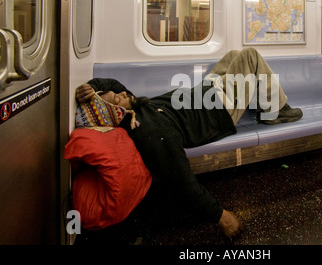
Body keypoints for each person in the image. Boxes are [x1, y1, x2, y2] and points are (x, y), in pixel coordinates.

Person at [75, 48, 303, 238]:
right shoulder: (151, 131)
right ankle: (275, 110)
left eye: (118, 93)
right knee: (249, 56)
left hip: (209, 92)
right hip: (221, 109)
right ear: (116, 114)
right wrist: (219, 215)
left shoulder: (136, 107)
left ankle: (268, 104)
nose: (122, 92)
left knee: (233, 54)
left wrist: (93, 88)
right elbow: (180, 179)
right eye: (117, 98)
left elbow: (113, 84)